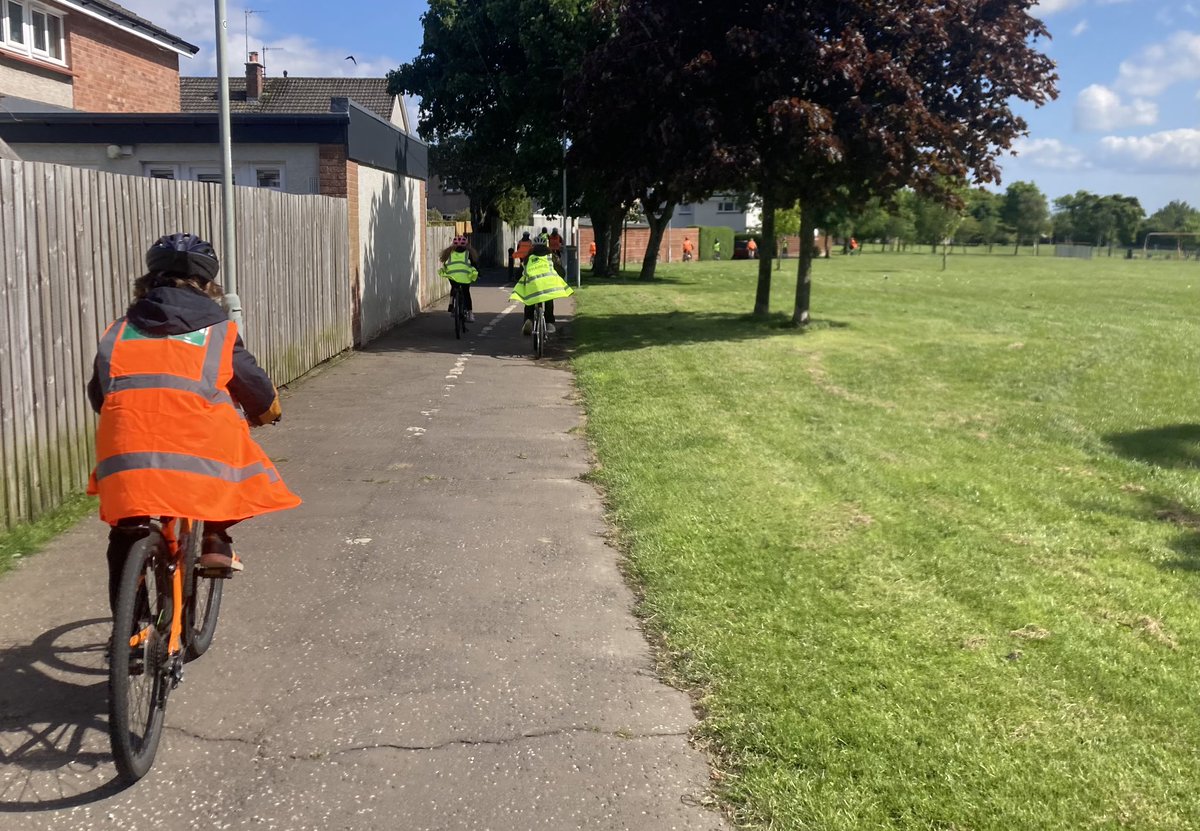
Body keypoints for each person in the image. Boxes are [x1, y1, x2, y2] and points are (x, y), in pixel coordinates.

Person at [87, 233, 300, 614]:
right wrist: (268, 412)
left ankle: (131, 631)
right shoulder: (217, 329)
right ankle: (216, 537)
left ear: (149, 280)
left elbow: (99, 396)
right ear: (207, 284)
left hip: (126, 454)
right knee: (230, 435)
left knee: (125, 532)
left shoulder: (118, 330)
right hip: (199, 453)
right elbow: (255, 390)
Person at [512, 237, 573, 335]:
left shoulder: (528, 257)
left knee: (530, 300)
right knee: (549, 298)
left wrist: (517, 278)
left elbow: (520, 272)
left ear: (533, 246)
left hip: (533, 284)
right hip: (548, 284)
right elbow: (560, 271)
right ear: (546, 245)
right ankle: (549, 323)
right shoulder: (551, 256)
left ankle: (529, 320)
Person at [439, 235, 479, 322]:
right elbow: (474, 265)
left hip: (452, 274)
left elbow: (444, 262)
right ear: (466, 245)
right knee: (466, 292)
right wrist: (478, 273)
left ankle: (450, 304)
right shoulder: (469, 252)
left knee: (454, 287)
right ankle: (470, 314)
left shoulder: (449, 252)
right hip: (465, 276)